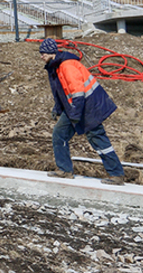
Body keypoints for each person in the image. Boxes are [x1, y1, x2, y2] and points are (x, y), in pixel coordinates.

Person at [39, 38, 125, 185]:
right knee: (59, 135)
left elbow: (77, 92)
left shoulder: (67, 66)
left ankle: (116, 174)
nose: (41, 56)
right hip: (76, 107)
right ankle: (64, 170)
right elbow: (61, 91)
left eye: (43, 53)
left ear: (51, 52)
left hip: (87, 107)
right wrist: (58, 108)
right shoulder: (57, 66)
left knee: (97, 137)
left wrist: (75, 114)